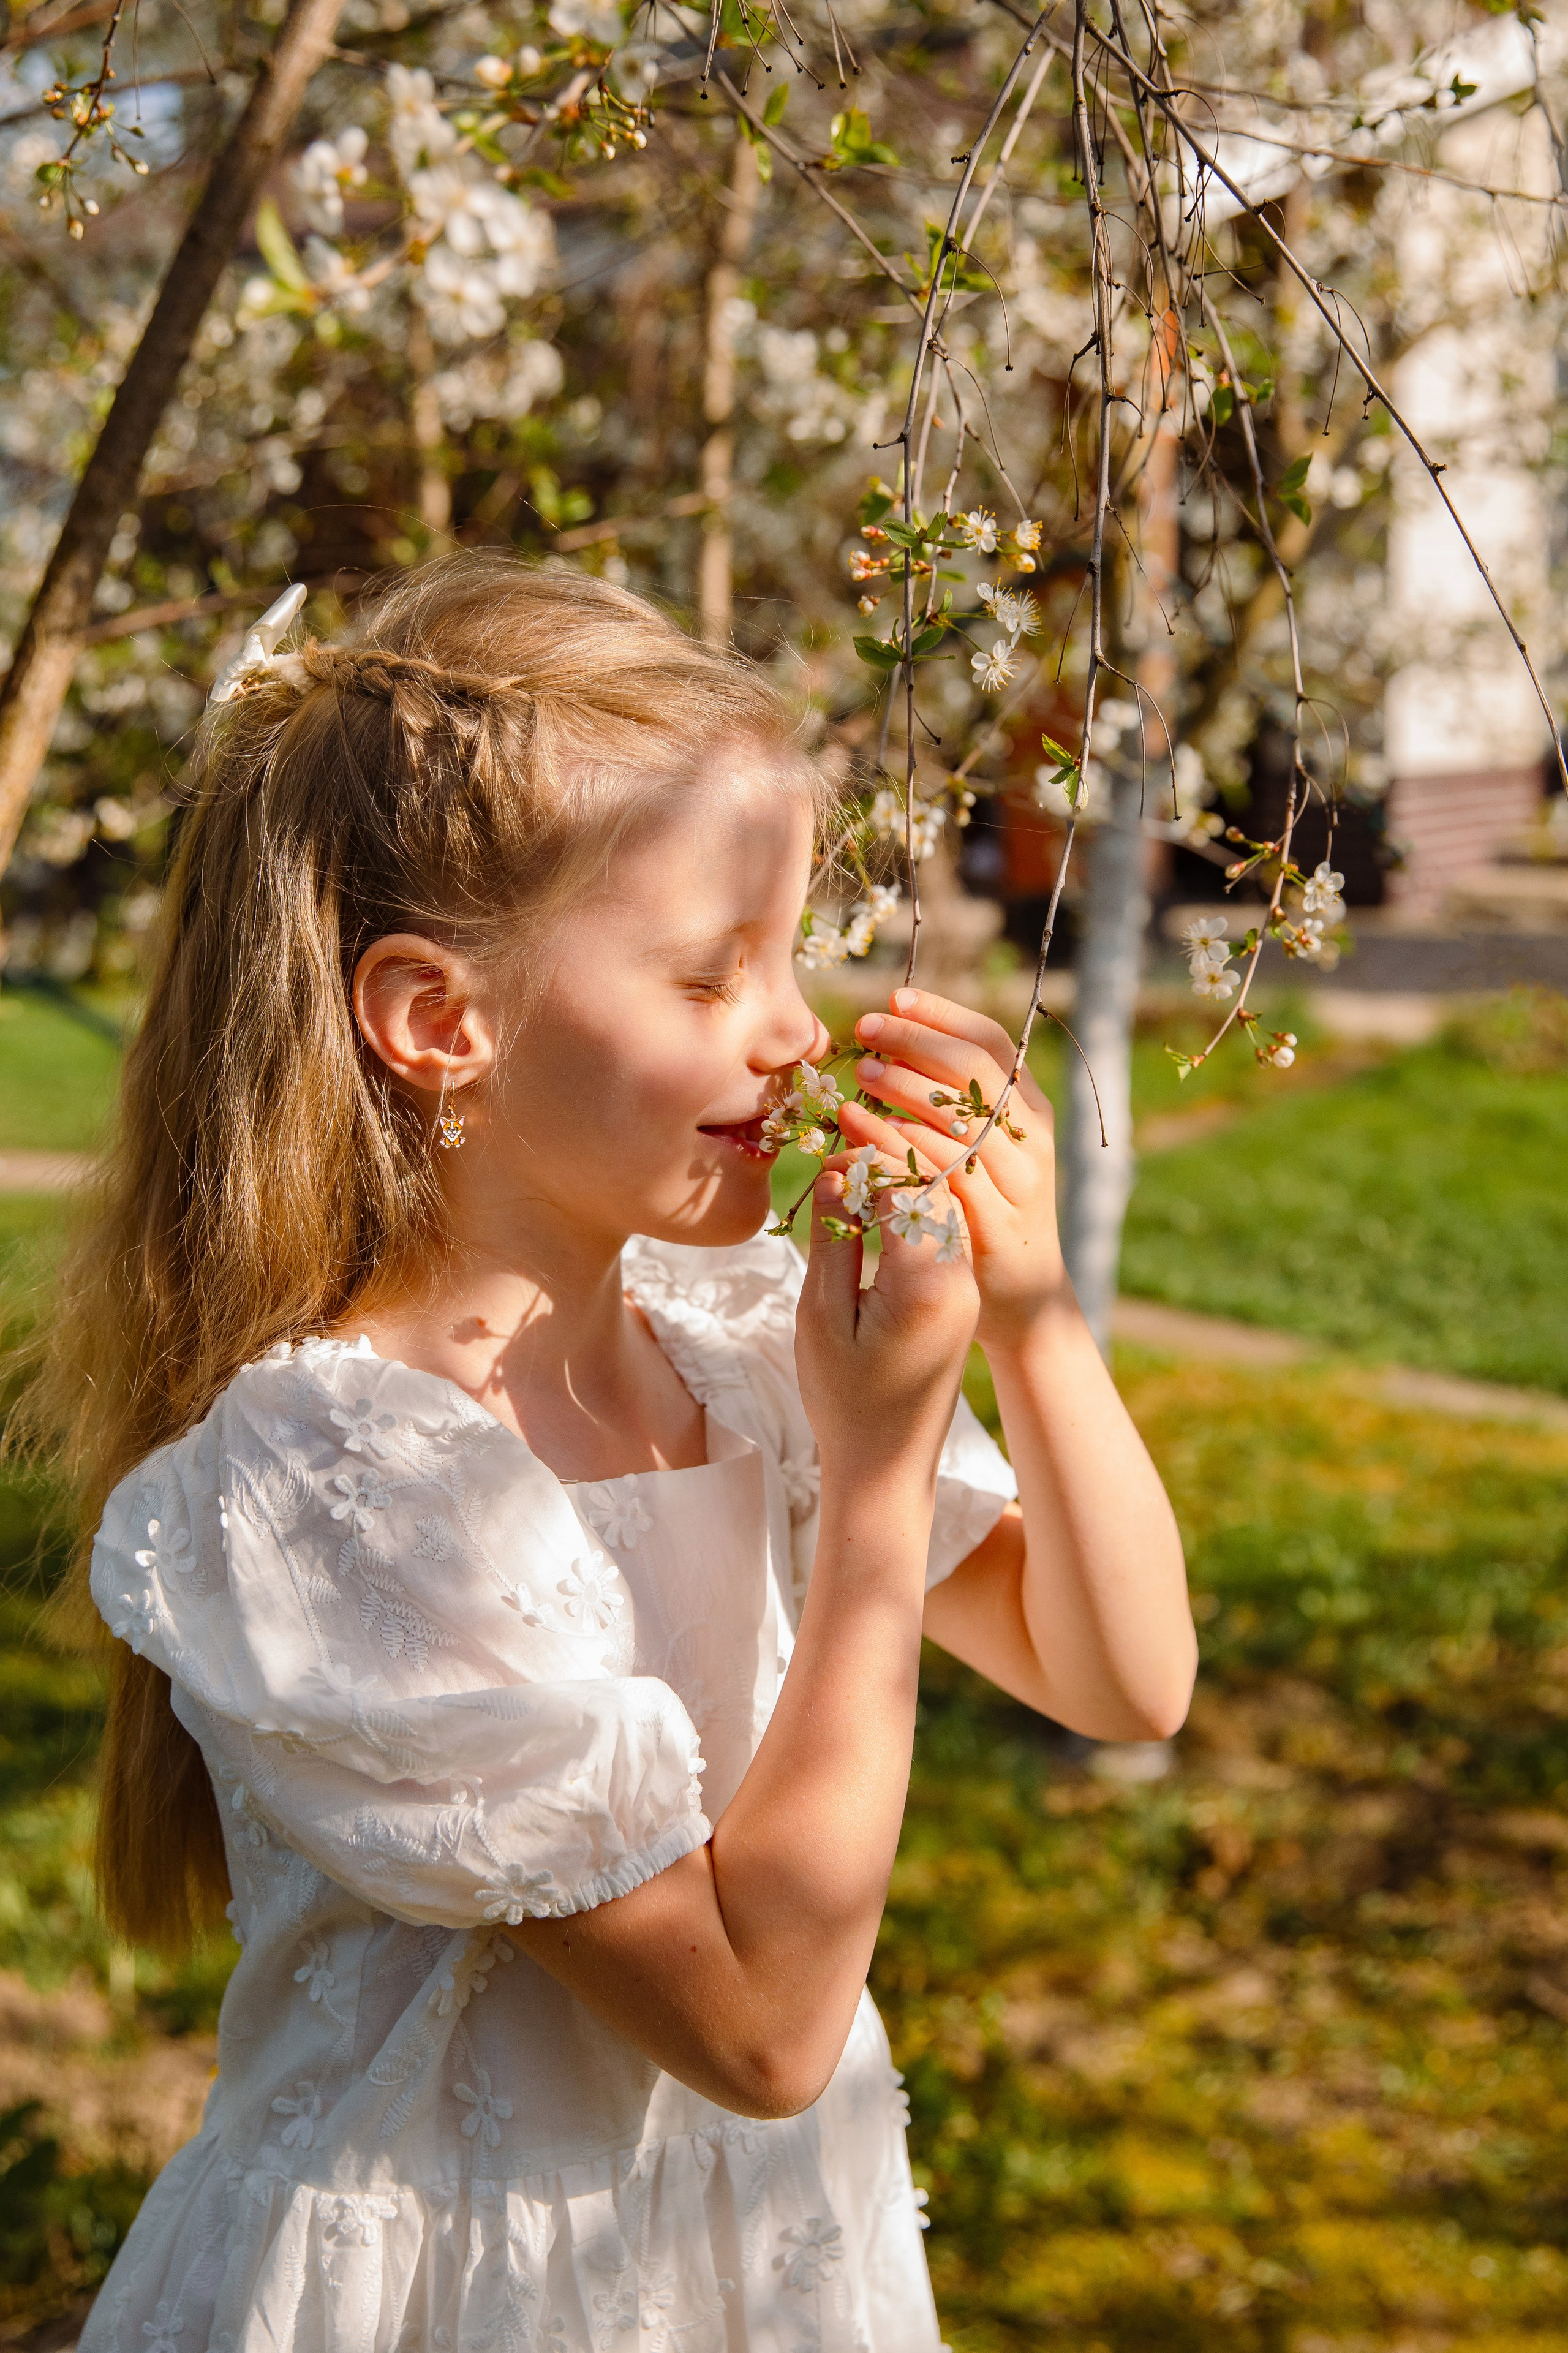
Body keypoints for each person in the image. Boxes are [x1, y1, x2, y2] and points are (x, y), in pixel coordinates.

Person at [50, 554, 1193, 2352]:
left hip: (768, 2267)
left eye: (788, 951)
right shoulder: (339, 1478)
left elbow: (1124, 1678)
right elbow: (757, 2026)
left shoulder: (734, 1339)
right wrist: (876, 1486)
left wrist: (1036, 1322)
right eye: (710, 973)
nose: (795, 1030)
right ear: (443, 1023)